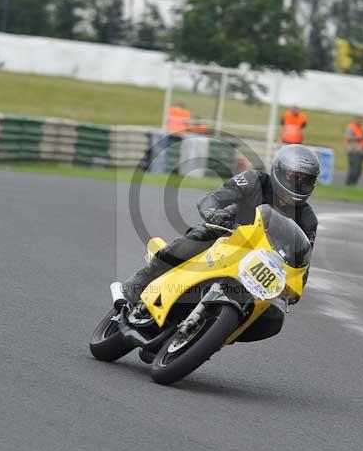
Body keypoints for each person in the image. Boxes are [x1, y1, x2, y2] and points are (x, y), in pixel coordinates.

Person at [120, 144, 320, 342]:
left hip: (259, 267)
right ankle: (136, 284)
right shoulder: (253, 180)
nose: (299, 184)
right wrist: (214, 213)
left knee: (273, 318)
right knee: (193, 242)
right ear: (279, 171)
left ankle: (215, 335)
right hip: (225, 237)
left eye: (306, 180)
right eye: (294, 177)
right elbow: (213, 199)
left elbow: (302, 262)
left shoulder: (308, 220)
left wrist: (294, 287)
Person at [343, 116, 363, 185]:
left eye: (361, 120)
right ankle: (349, 184)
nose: (360, 121)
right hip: (353, 150)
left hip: (360, 151)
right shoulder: (351, 127)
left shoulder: (361, 128)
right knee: (354, 169)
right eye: (359, 120)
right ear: (355, 119)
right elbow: (348, 137)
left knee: (358, 170)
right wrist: (358, 138)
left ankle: (353, 184)